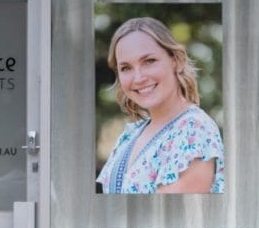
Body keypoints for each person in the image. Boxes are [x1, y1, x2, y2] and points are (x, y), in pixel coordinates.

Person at [96, 17, 225, 193]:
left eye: (149, 61)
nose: (139, 78)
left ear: (176, 61)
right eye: (126, 68)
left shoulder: (195, 130)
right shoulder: (130, 135)